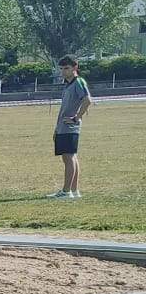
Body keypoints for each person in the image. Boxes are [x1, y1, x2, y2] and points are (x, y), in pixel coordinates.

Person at [50, 56, 90, 200]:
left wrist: (77, 117)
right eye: (61, 69)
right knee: (70, 157)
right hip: (62, 127)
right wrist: (56, 128)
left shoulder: (78, 82)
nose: (63, 72)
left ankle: (67, 192)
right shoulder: (67, 85)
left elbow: (87, 100)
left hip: (70, 126)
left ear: (75, 67)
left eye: (66, 68)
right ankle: (74, 190)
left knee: (69, 157)